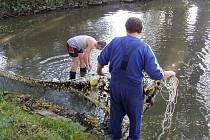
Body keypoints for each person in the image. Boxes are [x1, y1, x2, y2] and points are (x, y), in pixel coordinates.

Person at [97, 17, 175, 140]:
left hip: (115, 86)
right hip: (133, 91)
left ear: (126, 28)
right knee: (135, 121)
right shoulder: (144, 48)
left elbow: (101, 59)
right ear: (140, 30)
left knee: (115, 119)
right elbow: (156, 74)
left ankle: (115, 137)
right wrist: (168, 73)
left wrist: (99, 71)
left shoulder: (115, 41)